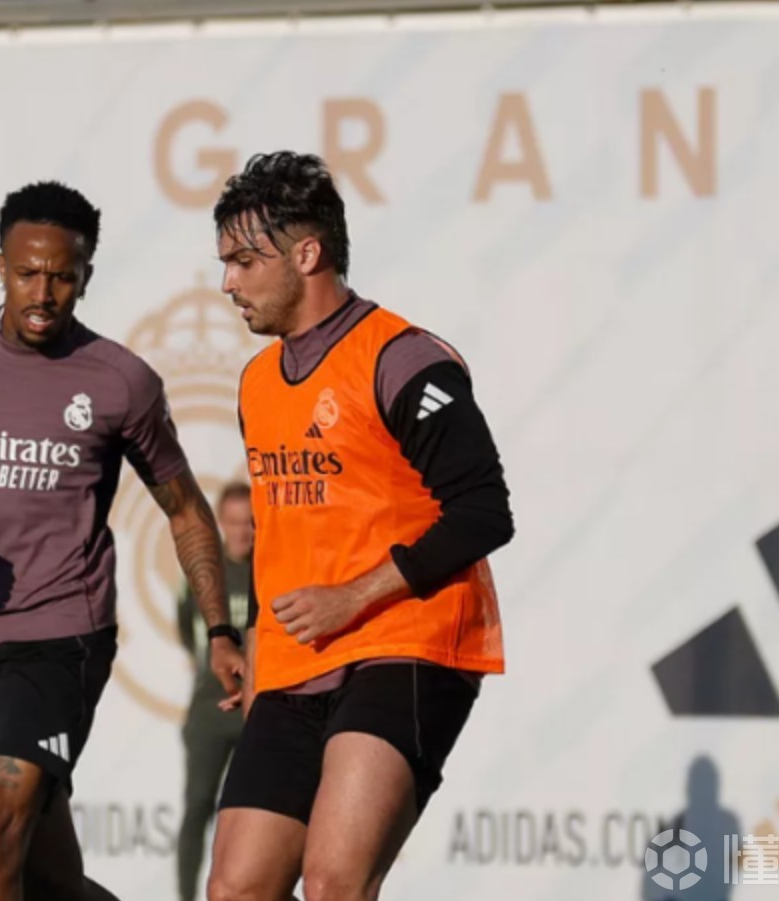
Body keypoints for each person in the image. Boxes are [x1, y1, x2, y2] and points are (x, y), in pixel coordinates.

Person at [0, 180, 246, 901]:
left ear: (86, 276)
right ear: (0, 267)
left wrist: (220, 630)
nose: (43, 292)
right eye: (27, 272)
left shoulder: (120, 381)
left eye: (62, 276)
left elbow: (187, 510)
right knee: (48, 875)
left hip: (63, 637)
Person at [206, 152, 514, 901]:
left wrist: (351, 597)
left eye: (244, 261)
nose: (228, 283)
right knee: (237, 887)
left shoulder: (402, 358)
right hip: (298, 659)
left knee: (334, 882)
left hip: (405, 643)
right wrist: (258, 642)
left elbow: (484, 511)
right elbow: (283, 528)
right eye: (225, 264)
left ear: (307, 254)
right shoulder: (256, 380)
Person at [176, 482, 254, 901]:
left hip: (257, 711)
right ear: (221, 522)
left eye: (250, 523)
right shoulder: (205, 576)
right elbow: (187, 632)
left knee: (254, 818)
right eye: (235, 523)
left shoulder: (269, 570)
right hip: (208, 711)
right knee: (197, 807)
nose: (242, 532)